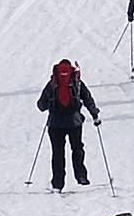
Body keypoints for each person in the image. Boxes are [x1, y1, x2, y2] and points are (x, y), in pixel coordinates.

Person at [35, 59, 101, 190]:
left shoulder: (53, 83)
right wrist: (95, 115)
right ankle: (81, 176)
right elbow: (88, 99)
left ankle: (58, 183)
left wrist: (50, 105)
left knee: (57, 153)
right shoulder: (76, 82)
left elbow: (41, 105)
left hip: (55, 123)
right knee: (77, 148)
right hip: (74, 122)